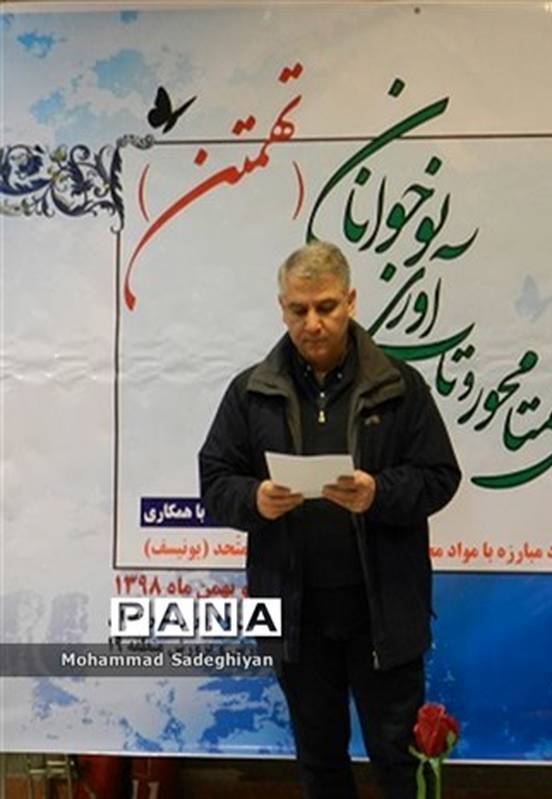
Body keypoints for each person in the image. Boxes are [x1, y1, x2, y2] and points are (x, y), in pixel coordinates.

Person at [198, 241, 461, 799]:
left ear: (351, 302)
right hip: (297, 618)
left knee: (400, 761)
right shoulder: (251, 393)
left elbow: (440, 477)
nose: (313, 323)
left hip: (383, 612)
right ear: (282, 309)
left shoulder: (400, 386)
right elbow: (215, 482)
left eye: (326, 307)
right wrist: (254, 500)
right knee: (319, 763)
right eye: (299, 310)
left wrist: (378, 493)